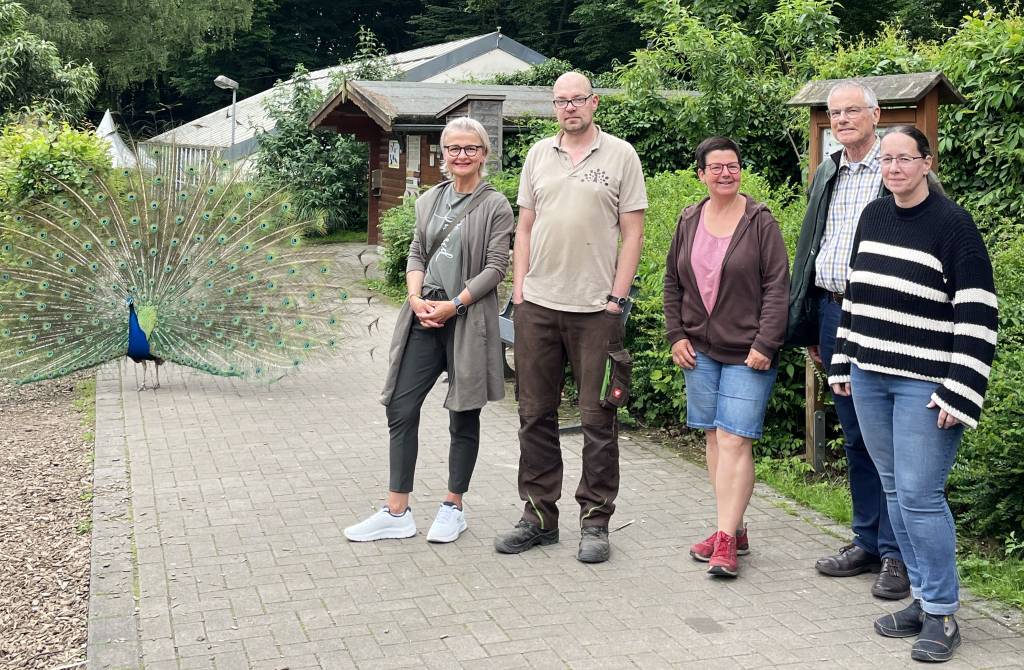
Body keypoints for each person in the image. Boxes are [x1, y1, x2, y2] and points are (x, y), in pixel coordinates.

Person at [829, 125, 997, 663]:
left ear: (927, 163)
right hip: (870, 378)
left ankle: (944, 613)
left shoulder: (955, 226)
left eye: (906, 159)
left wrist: (960, 389)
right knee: (896, 491)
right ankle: (922, 601)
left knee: (922, 496)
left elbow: (978, 314)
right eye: (887, 160)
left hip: (925, 384)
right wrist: (842, 359)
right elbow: (855, 294)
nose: (895, 168)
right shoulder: (872, 217)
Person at [493, 72, 646, 563]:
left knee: (598, 418)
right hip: (537, 305)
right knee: (533, 414)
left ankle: (596, 520)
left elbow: (633, 233)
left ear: (594, 102)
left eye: (577, 99)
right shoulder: (538, 154)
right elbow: (525, 227)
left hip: (595, 311)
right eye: (560, 101)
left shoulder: (621, 155)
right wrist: (519, 288)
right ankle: (538, 516)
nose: (569, 108)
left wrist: (617, 299)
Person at [344, 117, 514, 544]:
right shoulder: (429, 201)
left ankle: (453, 505)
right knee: (401, 406)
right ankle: (397, 510)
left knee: (464, 411)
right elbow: (416, 252)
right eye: (454, 148)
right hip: (424, 316)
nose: (462, 155)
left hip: (466, 318)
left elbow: (496, 268)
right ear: (443, 155)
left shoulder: (496, 206)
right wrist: (417, 298)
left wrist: (454, 305)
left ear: (484, 154)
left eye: (470, 148)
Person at [786, 81, 910, 599]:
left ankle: (899, 554)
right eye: (834, 113)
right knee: (856, 433)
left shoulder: (896, 167)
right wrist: (811, 321)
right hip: (836, 312)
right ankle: (867, 540)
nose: (841, 120)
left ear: (875, 114)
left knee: (894, 442)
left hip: (884, 319)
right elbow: (813, 242)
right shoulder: (829, 169)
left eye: (851, 111)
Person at [663, 137, 789, 577]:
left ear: (741, 171)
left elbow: (778, 288)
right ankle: (731, 528)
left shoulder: (760, 223)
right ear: (700, 174)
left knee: (736, 438)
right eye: (715, 167)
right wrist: (676, 334)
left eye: (732, 166)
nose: (724, 174)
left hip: (748, 352)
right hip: (699, 349)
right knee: (715, 439)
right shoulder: (689, 218)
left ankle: (725, 542)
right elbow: (672, 282)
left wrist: (766, 343)